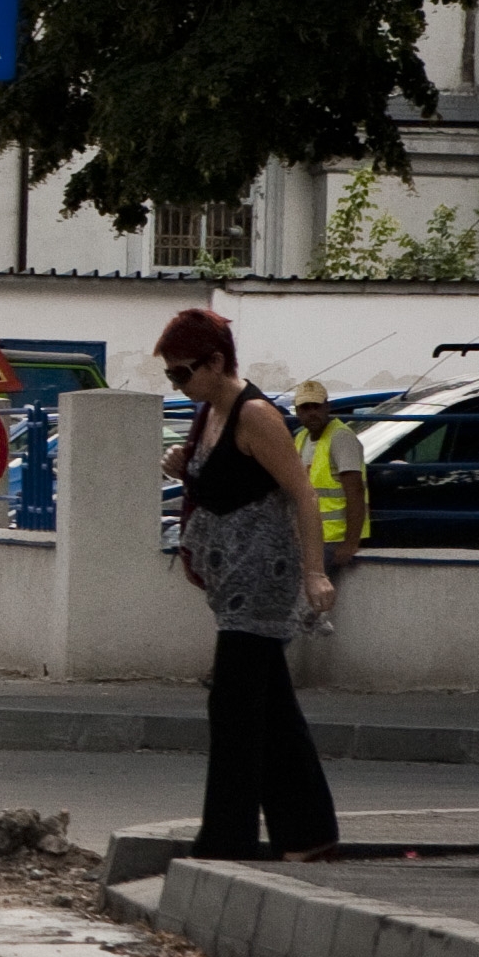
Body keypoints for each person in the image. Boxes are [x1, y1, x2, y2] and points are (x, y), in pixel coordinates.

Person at [159, 306, 340, 862]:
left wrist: (315, 571)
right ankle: (307, 833)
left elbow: (302, 494)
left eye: (183, 373)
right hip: (230, 580)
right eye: (170, 377)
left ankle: (226, 838)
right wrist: (180, 464)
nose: (178, 384)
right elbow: (216, 479)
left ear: (216, 362)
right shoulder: (208, 413)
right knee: (270, 707)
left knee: (234, 706)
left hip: (262, 580)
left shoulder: (255, 413)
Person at [290, 378, 366, 584]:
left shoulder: (340, 437)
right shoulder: (302, 438)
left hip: (333, 539)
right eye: (305, 407)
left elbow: (356, 492)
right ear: (297, 412)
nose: (312, 412)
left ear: (327, 407)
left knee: (308, 595)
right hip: (312, 537)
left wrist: (350, 543)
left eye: (317, 406)